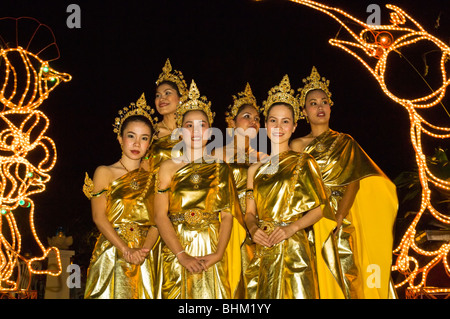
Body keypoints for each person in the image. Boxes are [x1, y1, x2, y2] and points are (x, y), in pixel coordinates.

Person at [290, 66, 398, 299]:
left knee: (348, 278)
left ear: (330, 107)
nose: (320, 107)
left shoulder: (345, 141)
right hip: (310, 216)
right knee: (316, 278)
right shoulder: (297, 145)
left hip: (341, 218)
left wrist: (339, 217)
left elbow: (354, 183)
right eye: (313, 103)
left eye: (324, 101)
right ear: (304, 111)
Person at [244, 75, 344, 299]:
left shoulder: (304, 161)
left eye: (285, 121)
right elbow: (250, 213)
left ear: (294, 126)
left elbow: (321, 208)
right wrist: (253, 230)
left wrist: (292, 229)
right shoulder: (255, 170)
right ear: (266, 124)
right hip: (263, 249)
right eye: (273, 120)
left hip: (295, 248)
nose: (278, 126)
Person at [153, 80, 246, 299]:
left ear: (210, 129)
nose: (195, 131)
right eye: (189, 125)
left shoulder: (220, 167)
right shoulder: (167, 167)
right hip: (177, 247)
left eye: (202, 125)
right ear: (180, 131)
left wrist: (218, 253)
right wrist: (181, 254)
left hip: (211, 247)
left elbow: (227, 216)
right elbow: (160, 216)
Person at [83, 93, 160, 299]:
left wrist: (143, 251)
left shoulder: (154, 179)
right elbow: (99, 217)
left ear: (150, 143)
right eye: (131, 136)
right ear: (120, 138)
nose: (137, 143)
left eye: (144, 138)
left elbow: (157, 222)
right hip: (112, 250)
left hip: (144, 256)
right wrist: (125, 249)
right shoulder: (105, 172)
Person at [142, 58, 187, 173]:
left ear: (180, 98)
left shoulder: (191, 129)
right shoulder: (151, 131)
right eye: (158, 95)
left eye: (167, 93)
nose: (162, 98)